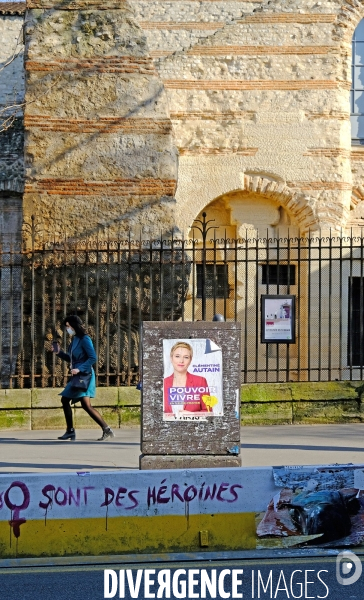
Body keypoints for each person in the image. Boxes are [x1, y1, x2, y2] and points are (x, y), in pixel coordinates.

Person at [52, 315, 114, 441]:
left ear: (74, 325)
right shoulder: (75, 339)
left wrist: (79, 368)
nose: (67, 329)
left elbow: (93, 358)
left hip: (84, 375)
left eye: (68, 326)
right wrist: (59, 353)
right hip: (78, 375)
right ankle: (105, 430)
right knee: (82, 404)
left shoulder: (85, 339)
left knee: (70, 401)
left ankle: (72, 431)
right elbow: (71, 358)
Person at [163, 341, 209, 415]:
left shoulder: (200, 381)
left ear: (190, 360)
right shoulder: (163, 383)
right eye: (177, 356)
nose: (181, 361)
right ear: (171, 358)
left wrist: (192, 415)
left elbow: (208, 411)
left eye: (186, 357)